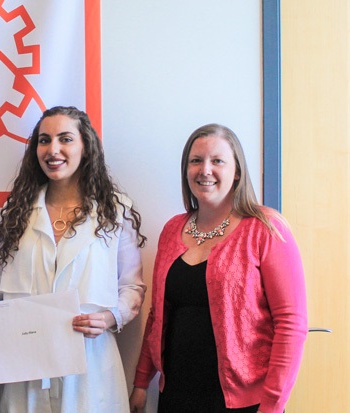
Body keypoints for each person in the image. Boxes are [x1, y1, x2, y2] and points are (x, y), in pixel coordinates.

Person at [0, 106, 147, 412]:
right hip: (23, 362)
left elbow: (132, 288)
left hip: (89, 362)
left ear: (86, 146)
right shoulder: (19, 211)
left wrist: (110, 318)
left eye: (65, 139)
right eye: (44, 140)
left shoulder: (115, 211)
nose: (53, 150)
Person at [128, 124, 308, 413]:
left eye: (217, 161)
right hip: (176, 394)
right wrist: (141, 381)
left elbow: (291, 324)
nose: (205, 170)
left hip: (245, 402)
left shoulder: (264, 228)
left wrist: (273, 405)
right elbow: (157, 315)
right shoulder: (173, 229)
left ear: (236, 171)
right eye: (196, 161)